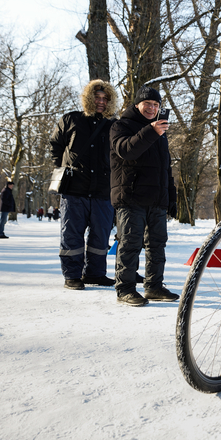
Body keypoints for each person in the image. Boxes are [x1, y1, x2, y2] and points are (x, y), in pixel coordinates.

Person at [110, 86, 179, 307]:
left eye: (156, 105)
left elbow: (165, 168)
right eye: (147, 103)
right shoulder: (121, 126)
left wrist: (171, 197)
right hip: (131, 196)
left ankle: (154, 286)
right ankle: (125, 289)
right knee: (130, 243)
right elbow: (126, 150)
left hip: (157, 199)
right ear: (137, 104)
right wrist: (150, 131)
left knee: (157, 245)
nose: (151, 108)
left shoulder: (160, 131)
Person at [50, 79, 119, 290]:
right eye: (97, 97)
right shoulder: (71, 119)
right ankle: (72, 275)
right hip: (74, 190)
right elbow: (55, 146)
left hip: (103, 191)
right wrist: (63, 168)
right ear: (89, 98)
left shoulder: (114, 125)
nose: (101, 102)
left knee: (101, 235)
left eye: (105, 98)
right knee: (72, 234)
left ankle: (95, 273)